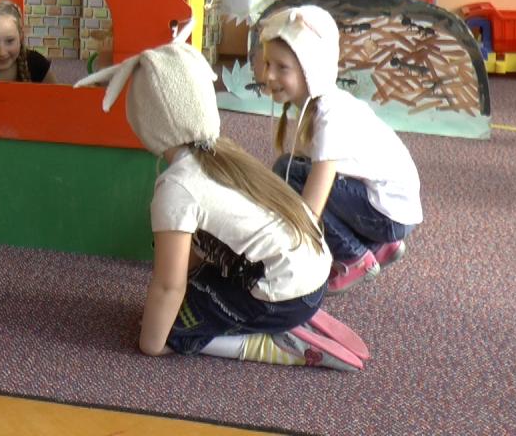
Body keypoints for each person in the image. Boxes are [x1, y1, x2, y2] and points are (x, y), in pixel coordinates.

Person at [75, 24, 367, 371]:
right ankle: (287, 315)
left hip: (285, 296)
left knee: (172, 332)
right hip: (313, 276)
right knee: (188, 296)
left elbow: (168, 286)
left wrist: (152, 344)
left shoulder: (177, 186)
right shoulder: (226, 154)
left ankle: (273, 342)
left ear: (146, 121)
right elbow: (193, 260)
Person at [259, 4, 422, 294]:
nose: (269, 75)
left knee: (290, 175)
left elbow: (313, 202)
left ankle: (354, 257)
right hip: (392, 210)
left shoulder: (329, 115)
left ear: (310, 68)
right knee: (291, 168)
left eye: (282, 68)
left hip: (389, 215)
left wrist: (290, 251)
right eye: (267, 64)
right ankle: (379, 246)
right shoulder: (319, 103)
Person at [0, 0, 54, 83]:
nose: (2, 52)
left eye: (9, 41)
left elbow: (56, 91)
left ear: (20, 36)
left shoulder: (36, 63)